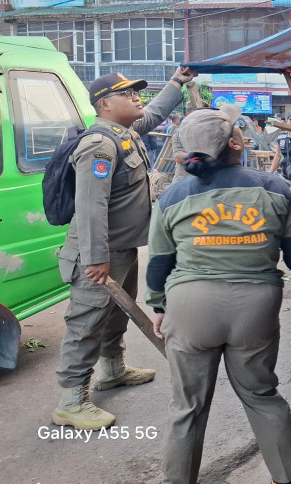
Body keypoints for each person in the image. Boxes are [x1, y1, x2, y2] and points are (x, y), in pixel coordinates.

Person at [146, 105, 291, 484]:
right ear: (237, 142)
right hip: (255, 306)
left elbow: (159, 260)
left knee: (187, 407)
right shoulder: (275, 188)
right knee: (261, 394)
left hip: (190, 306)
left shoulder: (172, 196)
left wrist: (158, 305)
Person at [52, 67, 195, 430]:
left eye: (137, 92)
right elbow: (90, 206)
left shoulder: (124, 132)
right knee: (85, 323)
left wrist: (177, 82)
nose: (137, 98)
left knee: (115, 315)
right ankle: (71, 401)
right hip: (98, 255)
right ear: (105, 104)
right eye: (128, 94)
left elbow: (156, 113)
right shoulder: (99, 144)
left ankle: (113, 370)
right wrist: (96, 257)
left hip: (122, 250)